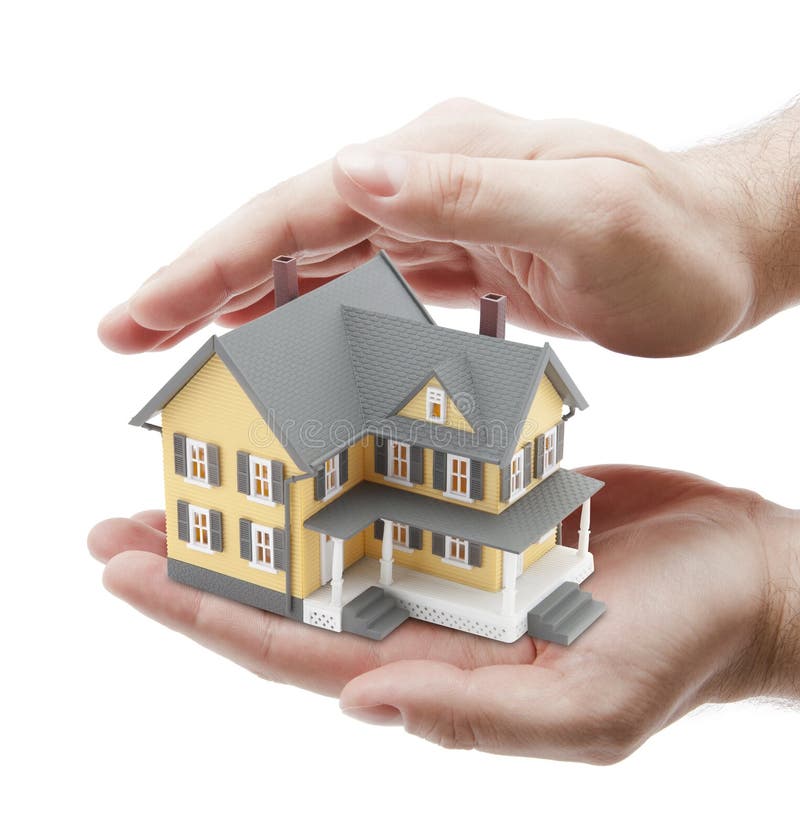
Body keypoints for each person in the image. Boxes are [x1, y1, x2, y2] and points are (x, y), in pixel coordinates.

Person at [88, 98, 800, 764]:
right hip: (341, 488)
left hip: (382, 472)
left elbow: (484, 418)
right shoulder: (295, 385)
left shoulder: (469, 397)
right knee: (362, 527)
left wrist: (771, 596)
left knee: (475, 529)